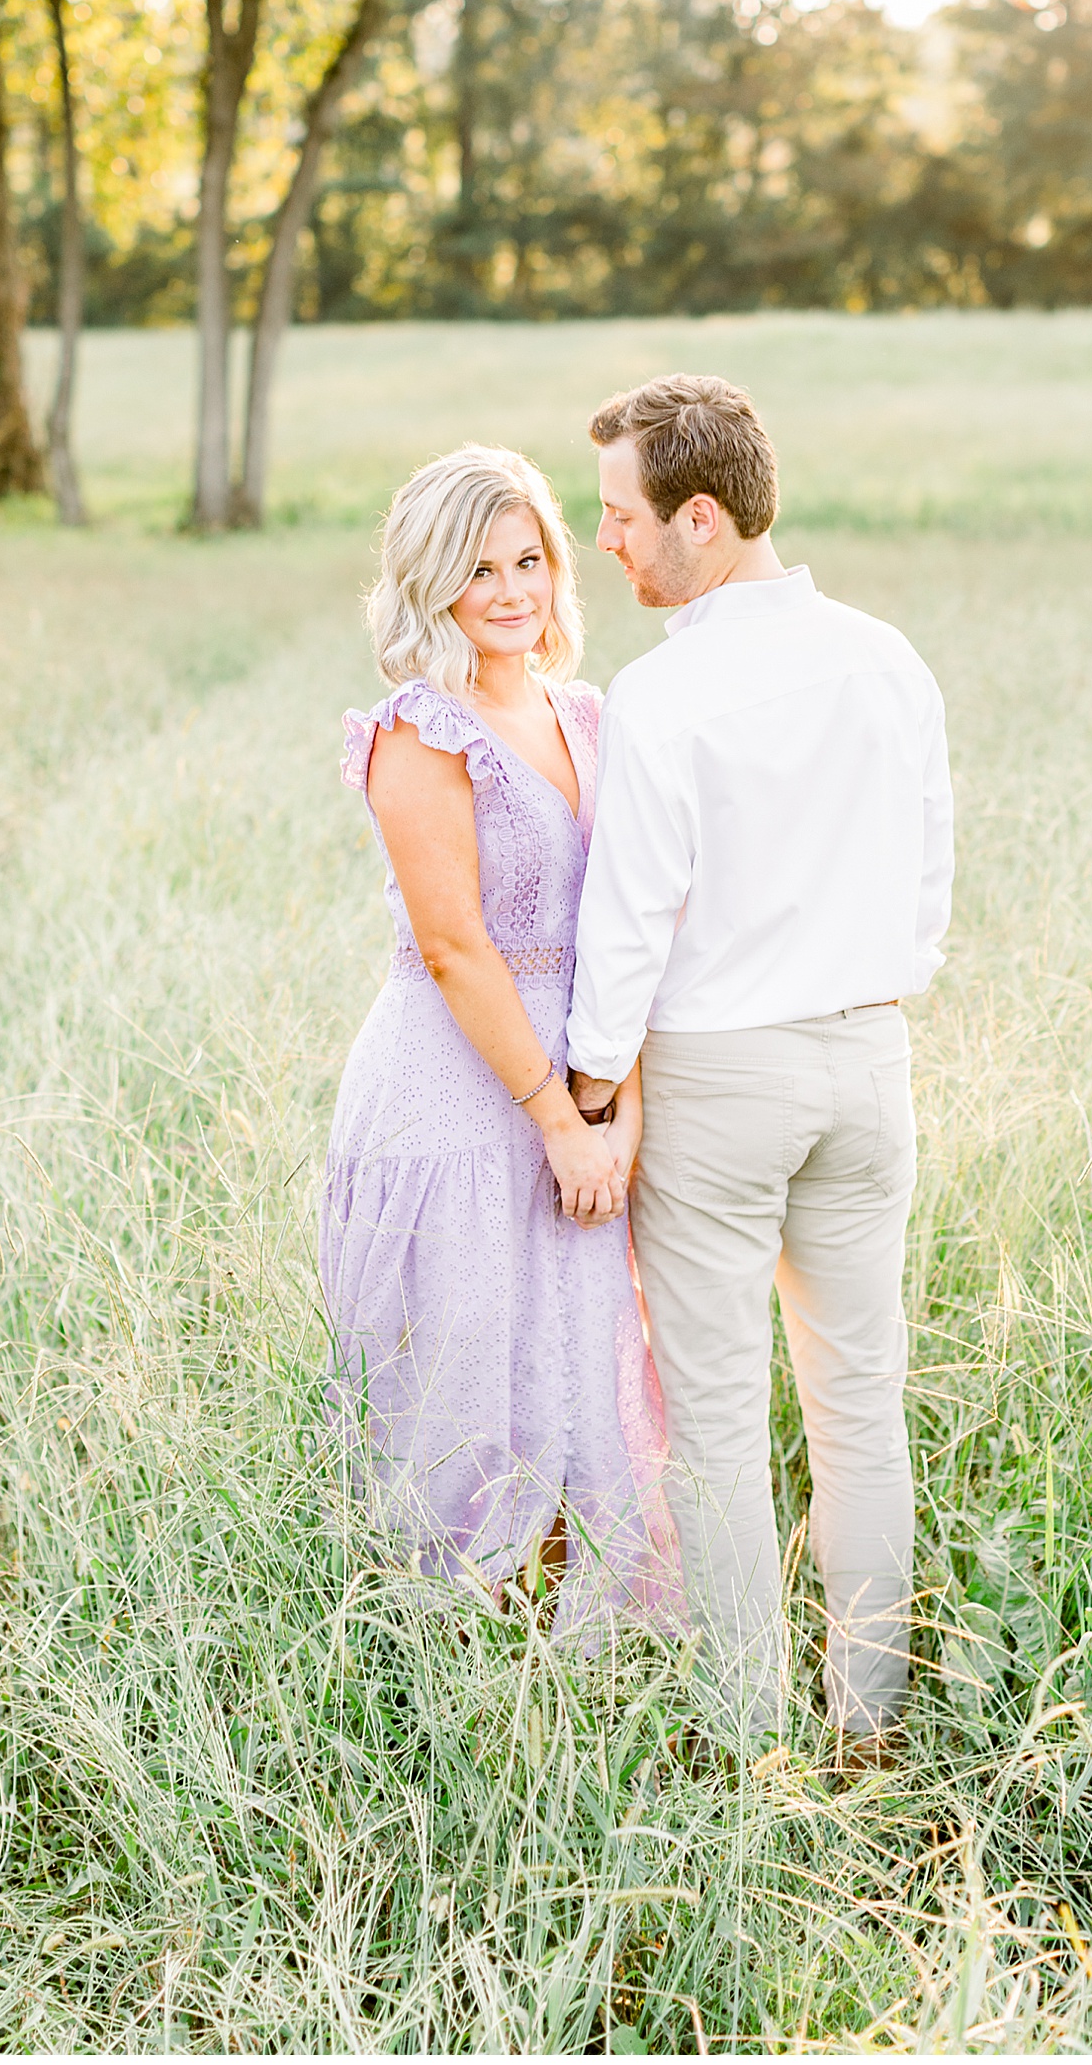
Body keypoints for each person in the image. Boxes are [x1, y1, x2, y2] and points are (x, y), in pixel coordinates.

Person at [566, 374, 953, 1760]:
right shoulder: (887, 657)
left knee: (719, 1425)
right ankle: (870, 1722)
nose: (603, 540)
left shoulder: (663, 696)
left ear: (705, 519)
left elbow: (628, 925)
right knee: (861, 1407)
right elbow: (927, 885)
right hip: (869, 1060)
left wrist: (594, 1091)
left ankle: (746, 1738)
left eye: (622, 516)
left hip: (723, 1077)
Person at [321, 443, 680, 1640]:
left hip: (578, 1079)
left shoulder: (584, 711)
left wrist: (614, 1101)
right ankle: (454, 1660)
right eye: (481, 568)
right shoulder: (419, 731)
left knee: (583, 1364)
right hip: (461, 1095)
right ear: (431, 583)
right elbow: (456, 947)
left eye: (530, 558)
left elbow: (626, 918)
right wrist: (555, 1122)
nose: (514, 589)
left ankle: (584, 1659)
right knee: (467, 1381)